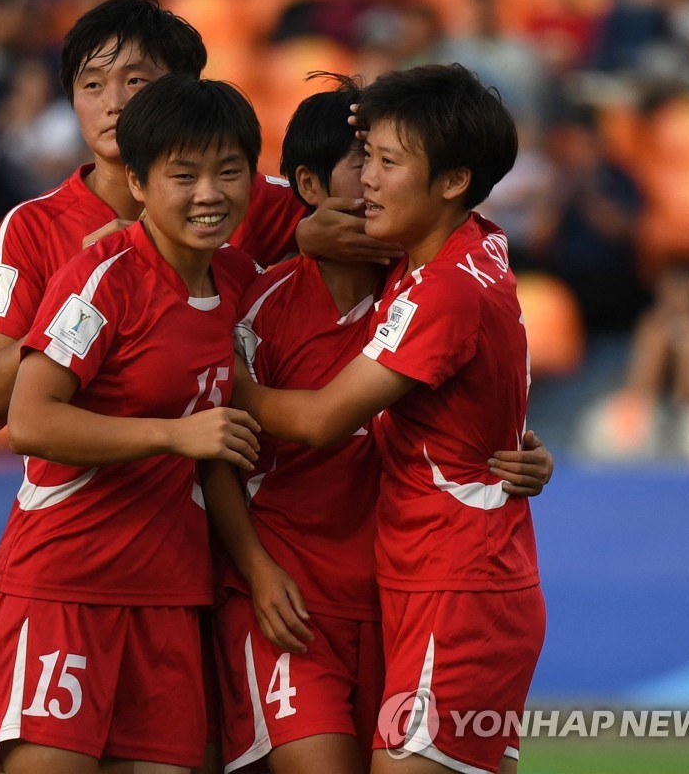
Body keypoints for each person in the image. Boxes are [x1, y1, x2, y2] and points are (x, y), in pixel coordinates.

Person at [207, 74, 553, 774]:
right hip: (400, 587)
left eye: (387, 163)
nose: (367, 182)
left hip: (456, 586)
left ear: (454, 181)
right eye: (363, 159)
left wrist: (215, 381)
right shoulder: (462, 248)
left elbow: (321, 421)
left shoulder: (440, 288)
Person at [0, 73, 264, 773]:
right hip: (66, 587)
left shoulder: (238, 282)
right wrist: (173, 434)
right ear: (138, 183)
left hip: (171, 597)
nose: (209, 193)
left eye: (229, 172)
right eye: (184, 175)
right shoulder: (100, 276)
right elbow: (28, 419)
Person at [0, 0, 400, 432]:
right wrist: (82, 305)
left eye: (137, 81)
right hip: (92, 489)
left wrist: (309, 238)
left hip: (233, 478)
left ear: (185, 90)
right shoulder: (33, 225)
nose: (114, 103)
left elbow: (403, 241)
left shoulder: (254, 198)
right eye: (92, 85)